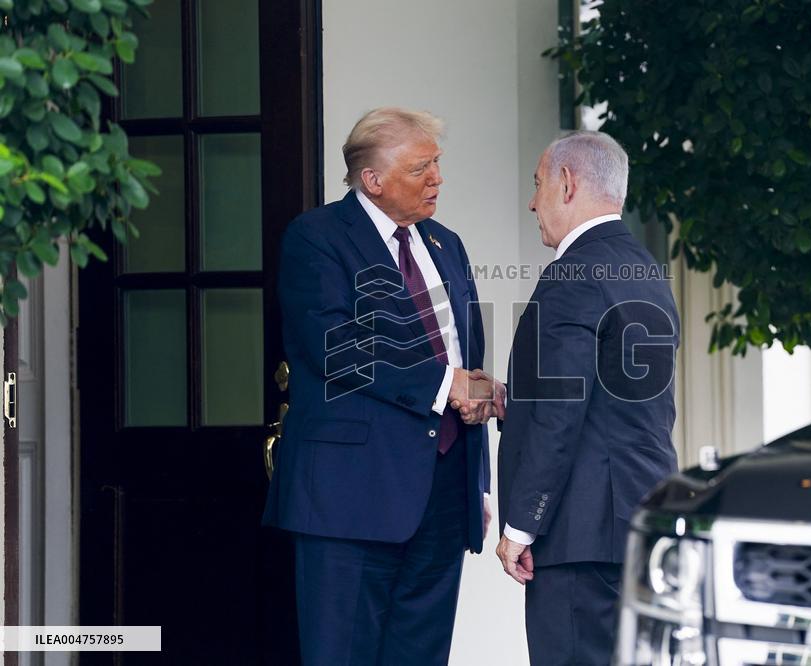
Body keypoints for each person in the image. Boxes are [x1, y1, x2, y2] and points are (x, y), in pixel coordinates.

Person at [263, 107, 497, 666]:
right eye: (422, 168)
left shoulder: (445, 243)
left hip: (443, 490)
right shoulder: (316, 238)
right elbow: (335, 346)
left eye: (437, 164)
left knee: (422, 652)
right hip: (351, 496)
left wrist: (478, 479)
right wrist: (447, 385)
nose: (437, 178)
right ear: (373, 180)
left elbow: (466, 355)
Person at [494, 131, 680, 665]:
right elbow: (613, 398)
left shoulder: (572, 275)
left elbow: (560, 416)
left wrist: (521, 526)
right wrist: (515, 398)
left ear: (567, 183)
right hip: (638, 520)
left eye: (537, 185)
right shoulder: (645, 269)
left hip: (578, 533)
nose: (532, 202)